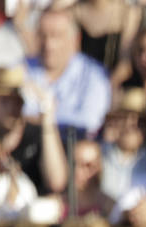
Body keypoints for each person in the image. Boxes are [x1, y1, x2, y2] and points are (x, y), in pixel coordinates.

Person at [0, 64, 68, 198]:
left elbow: (56, 182)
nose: (12, 108)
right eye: (5, 101)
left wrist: (48, 118)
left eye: (18, 101)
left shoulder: (37, 134)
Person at [25, 7, 112, 137]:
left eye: (56, 35)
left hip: (72, 151)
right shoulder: (21, 68)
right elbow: (6, 117)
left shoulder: (95, 75)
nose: (49, 44)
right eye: (43, 35)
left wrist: (43, 118)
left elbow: (89, 123)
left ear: (75, 39)